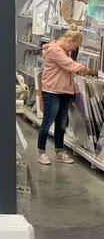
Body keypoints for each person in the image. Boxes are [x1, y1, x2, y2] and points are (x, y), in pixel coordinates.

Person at [37, 29, 97, 165]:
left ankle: (59, 152)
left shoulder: (64, 51)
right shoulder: (55, 51)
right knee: (47, 122)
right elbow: (70, 65)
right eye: (75, 46)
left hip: (64, 91)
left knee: (61, 123)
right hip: (52, 91)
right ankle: (41, 153)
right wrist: (90, 71)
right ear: (69, 40)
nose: (75, 49)